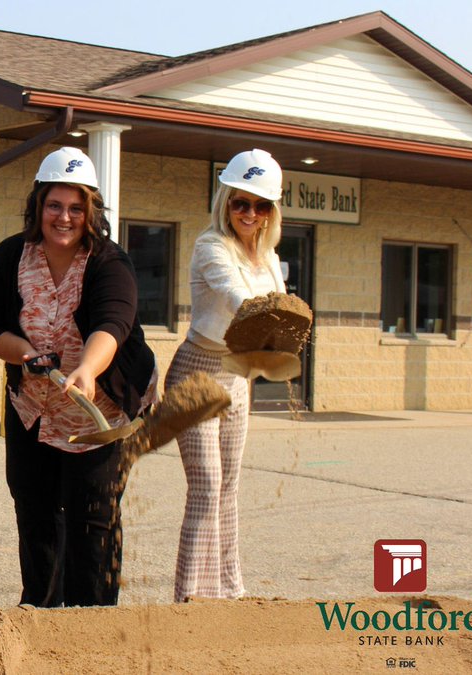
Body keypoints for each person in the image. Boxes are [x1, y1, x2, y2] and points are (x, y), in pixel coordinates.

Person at [0, 147, 157, 607]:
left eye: (76, 208)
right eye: (55, 205)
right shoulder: (10, 256)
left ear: (91, 210)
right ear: (38, 205)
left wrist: (86, 370)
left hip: (96, 411)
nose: (64, 217)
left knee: (91, 520)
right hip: (33, 407)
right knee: (34, 512)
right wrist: (27, 353)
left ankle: (92, 619)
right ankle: (39, 609)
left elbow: (113, 322)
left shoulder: (109, 261)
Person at [168, 148, 286, 602]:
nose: (249, 214)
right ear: (226, 202)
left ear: (271, 211)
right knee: (206, 486)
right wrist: (266, 321)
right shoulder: (210, 246)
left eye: (260, 206)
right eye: (241, 203)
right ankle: (191, 600)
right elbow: (234, 294)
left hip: (239, 377)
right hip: (197, 373)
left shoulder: (271, 259)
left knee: (230, 488)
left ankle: (229, 591)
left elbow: (280, 310)